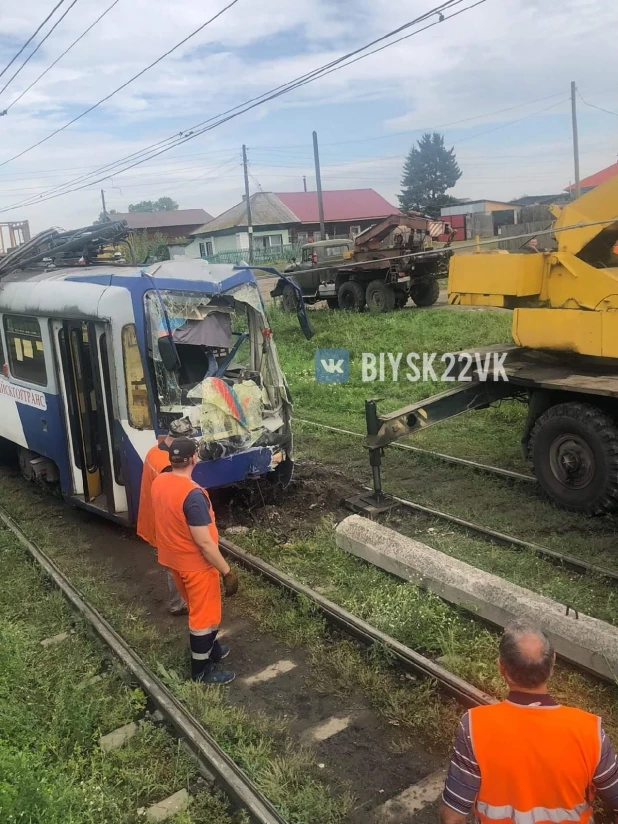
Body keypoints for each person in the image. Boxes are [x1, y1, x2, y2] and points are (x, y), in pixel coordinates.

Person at [441, 619, 618, 824]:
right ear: (553, 662)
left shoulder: (473, 726)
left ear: (501, 668)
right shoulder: (590, 731)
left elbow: (452, 817)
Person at [150, 436, 238, 685]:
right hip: (196, 566)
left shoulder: (160, 481)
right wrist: (226, 571)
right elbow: (205, 543)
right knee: (204, 618)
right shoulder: (193, 495)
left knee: (199, 609)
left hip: (173, 561)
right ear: (193, 459)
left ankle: (214, 650)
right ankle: (202, 671)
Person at [137, 417, 196, 615]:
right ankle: (178, 605)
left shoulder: (155, 451)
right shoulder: (167, 465)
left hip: (153, 515)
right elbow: (176, 498)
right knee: (175, 563)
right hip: (166, 522)